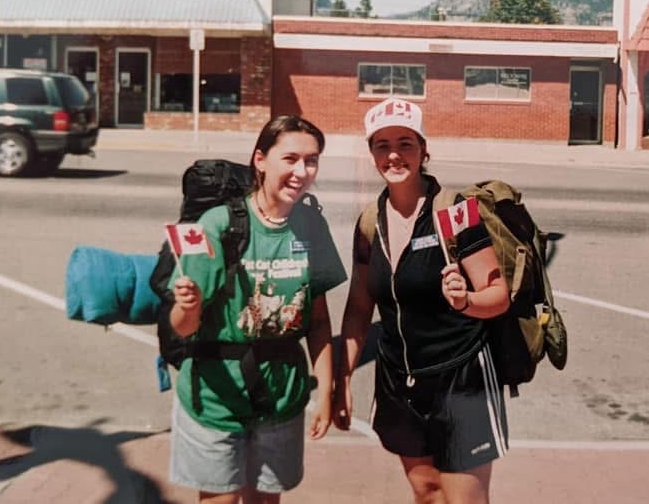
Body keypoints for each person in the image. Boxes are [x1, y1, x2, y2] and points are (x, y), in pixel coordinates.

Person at [334, 98, 510, 504]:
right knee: (427, 493)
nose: (394, 154)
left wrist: (466, 301)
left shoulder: (455, 212)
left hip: (460, 379)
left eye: (405, 143)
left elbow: (497, 295)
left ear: (423, 149)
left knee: (463, 499)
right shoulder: (368, 223)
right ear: (372, 153)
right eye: (382, 145)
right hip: (400, 381)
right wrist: (342, 378)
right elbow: (360, 308)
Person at [169, 115, 346, 504]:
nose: (302, 171)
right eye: (291, 158)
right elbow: (183, 327)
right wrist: (189, 306)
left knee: (266, 500)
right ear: (260, 160)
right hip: (216, 397)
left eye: (312, 160)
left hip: (282, 396)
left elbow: (318, 321)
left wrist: (326, 394)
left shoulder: (311, 227)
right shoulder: (218, 225)